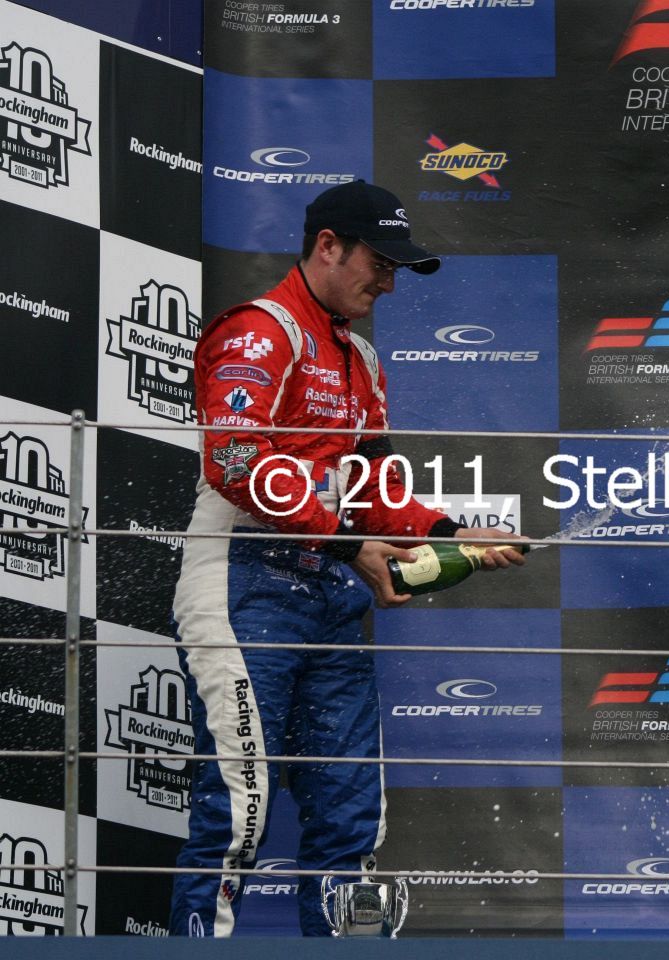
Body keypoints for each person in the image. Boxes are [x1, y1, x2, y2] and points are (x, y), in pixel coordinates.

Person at [169, 180, 525, 937]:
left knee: (350, 813)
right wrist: (344, 542)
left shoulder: (360, 357)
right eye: (380, 262)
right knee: (240, 808)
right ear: (327, 245)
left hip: (329, 593)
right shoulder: (259, 332)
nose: (388, 283)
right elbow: (233, 460)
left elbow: (375, 490)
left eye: (397, 269)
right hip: (243, 581)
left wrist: (449, 532)